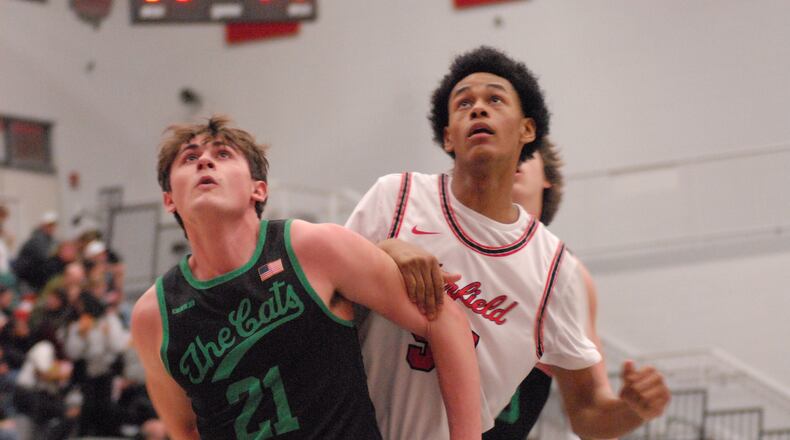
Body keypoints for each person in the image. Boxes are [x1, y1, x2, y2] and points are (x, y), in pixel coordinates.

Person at [345, 46, 670, 440]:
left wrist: (633, 409)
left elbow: (587, 414)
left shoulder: (555, 269)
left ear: (527, 130)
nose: (478, 109)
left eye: (494, 99)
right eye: (464, 103)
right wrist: (385, 252)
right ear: (448, 136)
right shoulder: (396, 196)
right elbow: (326, 295)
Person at [130, 116, 481, 439]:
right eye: (189, 158)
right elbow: (184, 428)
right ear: (169, 200)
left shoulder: (311, 248)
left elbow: (445, 318)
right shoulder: (153, 315)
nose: (204, 162)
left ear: (259, 189)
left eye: (223, 154)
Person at [485, 139, 616, 439]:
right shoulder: (436, 234)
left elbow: (592, 406)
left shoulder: (567, 274)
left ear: (548, 177)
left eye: (526, 153)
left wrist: (631, 408)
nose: (514, 159)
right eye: (505, 152)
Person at [12, 212, 58, 292]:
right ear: (42, 225)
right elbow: (45, 256)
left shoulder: (50, 240)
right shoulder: (36, 240)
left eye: (53, 225)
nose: (52, 228)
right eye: (49, 225)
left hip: (36, 278)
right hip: (29, 279)